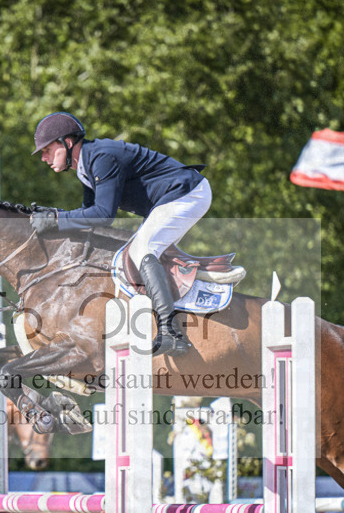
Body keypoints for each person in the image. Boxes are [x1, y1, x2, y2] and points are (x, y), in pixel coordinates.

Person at [30, 111, 211, 357]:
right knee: (134, 252)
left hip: (187, 193)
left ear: (67, 142)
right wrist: (56, 217)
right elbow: (87, 214)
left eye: (47, 150)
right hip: (173, 197)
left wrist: (57, 220)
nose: (44, 157)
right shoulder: (86, 165)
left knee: (142, 250)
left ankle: (171, 332)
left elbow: (104, 215)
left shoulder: (101, 157)